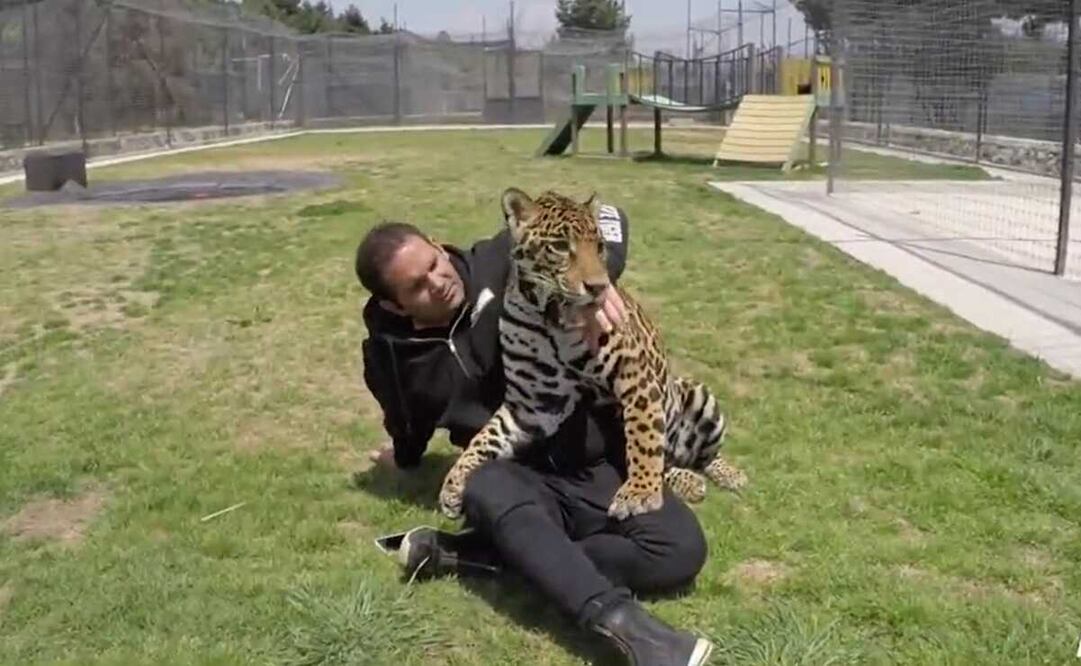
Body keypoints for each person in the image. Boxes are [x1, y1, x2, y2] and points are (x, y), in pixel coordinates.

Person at [355, 208, 714, 666]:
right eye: (418, 286)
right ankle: (637, 634)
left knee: (681, 550)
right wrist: (403, 456)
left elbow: (609, 216)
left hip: (590, 459)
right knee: (482, 482)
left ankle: (477, 555)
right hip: (512, 476)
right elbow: (406, 421)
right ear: (394, 306)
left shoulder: (504, 257)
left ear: (437, 241)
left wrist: (602, 286)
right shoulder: (392, 356)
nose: (438, 279)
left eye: (434, 261)